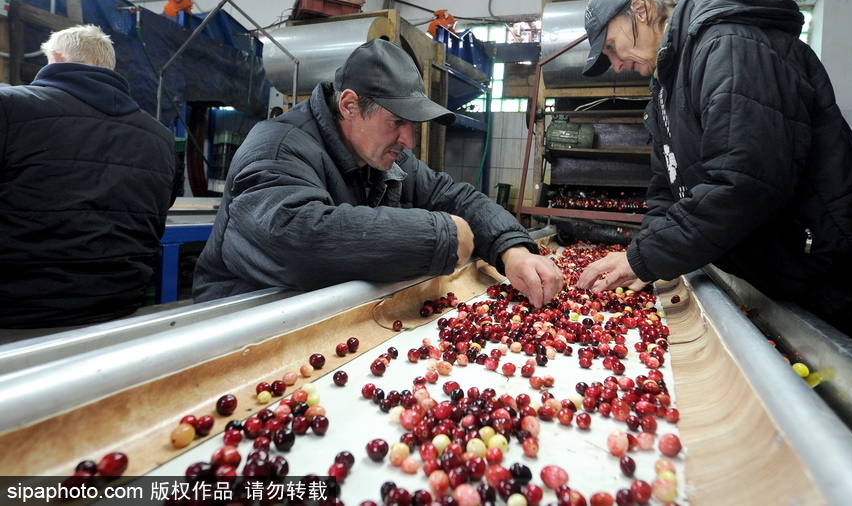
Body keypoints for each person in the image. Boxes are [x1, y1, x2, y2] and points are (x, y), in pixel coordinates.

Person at [576, 0, 852, 344]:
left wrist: (642, 258)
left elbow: (745, 182)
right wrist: (648, 260)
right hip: (775, 272)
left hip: (821, 270)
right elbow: (667, 188)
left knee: (828, 394)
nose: (617, 64)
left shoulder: (729, 47)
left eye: (611, 47)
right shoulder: (666, 84)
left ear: (641, 10)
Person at [193, 39, 563, 305]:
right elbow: (294, 238)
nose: (410, 140)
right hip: (242, 324)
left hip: (322, 312)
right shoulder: (278, 146)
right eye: (398, 122)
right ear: (350, 105)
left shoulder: (383, 156)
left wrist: (512, 250)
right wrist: (439, 237)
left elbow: (453, 197)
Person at [0, 25, 178, 328]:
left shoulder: (10, 105)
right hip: (118, 304)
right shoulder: (161, 137)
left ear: (55, 57)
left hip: (16, 310)